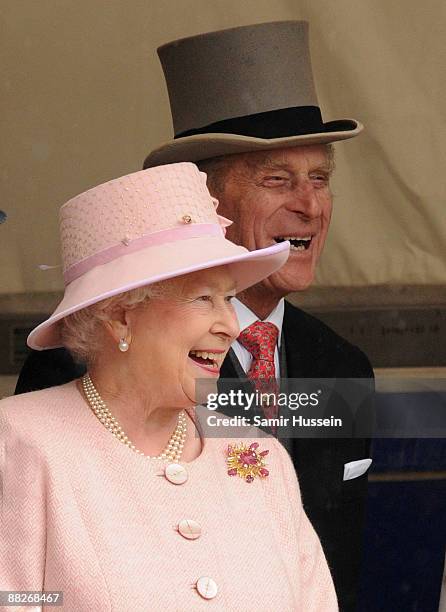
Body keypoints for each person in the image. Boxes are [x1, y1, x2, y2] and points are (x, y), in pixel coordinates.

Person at [14, 21, 373, 611]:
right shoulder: (65, 378)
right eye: (277, 179)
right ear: (208, 204)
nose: (309, 205)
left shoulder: (342, 365)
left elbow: (327, 569)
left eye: (320, 180)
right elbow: (29, 588)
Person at [0, 163, 339, 610]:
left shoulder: (258, 455)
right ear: (121, 315)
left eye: (229, 299)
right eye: (203, 298)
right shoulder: (22, 442)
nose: (231, 327)